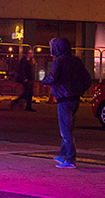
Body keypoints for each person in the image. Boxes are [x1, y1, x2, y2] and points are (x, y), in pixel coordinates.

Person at [41, 37, 90, 169]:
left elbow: (53, 77)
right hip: (75, 98)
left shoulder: (58, 61)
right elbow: (87, 79)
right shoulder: (76, 60)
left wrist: (44, 81)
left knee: (66, 130)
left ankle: (70, 159)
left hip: (64, 98)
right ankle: (63, 155)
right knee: (68, 128)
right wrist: (80, 90)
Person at [10, 47, 36, 111]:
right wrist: (24, 78)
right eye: (29, 53)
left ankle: (27, 106)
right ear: (26, 54)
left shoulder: (30, 60)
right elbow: (21, 70)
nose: (31, 54)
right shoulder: (24, 61)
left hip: (30, 78)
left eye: (31, 53)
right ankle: (17, 102)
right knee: (27, 93)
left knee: (29, 93)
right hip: (26, 79)